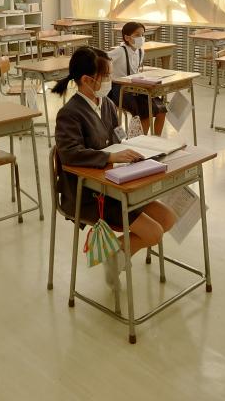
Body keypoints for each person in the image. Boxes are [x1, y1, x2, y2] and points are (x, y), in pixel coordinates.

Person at [53, 47, 177, 291]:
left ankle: (117, 253)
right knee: (153, 233)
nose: (111, 79)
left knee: (168, 218)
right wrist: (110, 157)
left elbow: (117, 139)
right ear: (87, 80)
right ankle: (117, 252)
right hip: (89, 194)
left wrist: (137, 149)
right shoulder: (69, 114)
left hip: (116, 184)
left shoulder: (107, 104)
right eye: (106, 75)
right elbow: (69, 154)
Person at [107, 21, 167, 135]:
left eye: (142, 35)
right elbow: (102, 60)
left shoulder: (140, 51)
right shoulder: (120, 51)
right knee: (145, 113)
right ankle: (139, 142)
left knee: (161, 110)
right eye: (137, 35)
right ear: (127, 37)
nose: (141, 38)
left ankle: (156, 140)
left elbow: (136, 71)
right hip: (120, 89)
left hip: (136, 86)